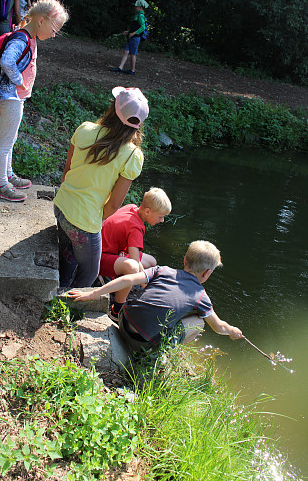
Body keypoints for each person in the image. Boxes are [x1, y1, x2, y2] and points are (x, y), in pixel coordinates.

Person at [69, 240, 243, 353]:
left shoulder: (162, 270)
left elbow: (128, 278)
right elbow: (218, 326)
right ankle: (159, 354)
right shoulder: (200, 296)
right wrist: (232, 331)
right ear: (207, 273)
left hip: (124, 322)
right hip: (141, 344)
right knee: (198, 321)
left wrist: (91, 293)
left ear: (185, 260)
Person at [54, 86, 149, 291]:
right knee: (90, 272)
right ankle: (66, 304)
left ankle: (60, 286)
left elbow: (66, 173)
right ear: (139, 124)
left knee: (69, 252)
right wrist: (93, 220)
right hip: (85, 223)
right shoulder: (132, 155)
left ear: (113, 109)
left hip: (61, 206)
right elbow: (114, 204)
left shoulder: (85, 129)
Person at [0, 0, 69, 202]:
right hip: (11, 97)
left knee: (11, 139)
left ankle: (8, 175)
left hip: (15, 97)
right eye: (54, 29)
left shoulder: (30, 36)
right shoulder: (22, 39)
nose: (54, 35)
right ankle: (1, 185)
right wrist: (19, 81)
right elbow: (7, 61)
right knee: (5, 143)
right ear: (42, 21)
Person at [99, 187, 172, 322]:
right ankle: (116, 309)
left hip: (108, 250)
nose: (162, 221)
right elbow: (134, 263)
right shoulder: (136, 228)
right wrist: (149, 288)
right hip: (99, 257)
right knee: (132, 268)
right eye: (160, 217)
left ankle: (117, 285)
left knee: (151, 262)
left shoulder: (132, 208)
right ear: (148, 211)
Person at [110, 0, 149, 76]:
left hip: (135, 38)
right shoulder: (137, 15)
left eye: (136, 6)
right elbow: (135, 26)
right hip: (132, 37)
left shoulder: (140, 16)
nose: (135, 7)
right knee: (126, 51)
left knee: (133, 54)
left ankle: (132, 70)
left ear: (140, 7)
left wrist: (133, 33)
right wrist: (128, 32)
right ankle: (120, 67)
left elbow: (142, 27)